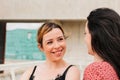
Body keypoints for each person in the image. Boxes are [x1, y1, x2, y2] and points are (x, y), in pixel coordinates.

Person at [83, 8, 120, 80]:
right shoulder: (114, 67)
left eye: (85, 33)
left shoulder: (96, 71)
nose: (84, 38)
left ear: (95, 35)